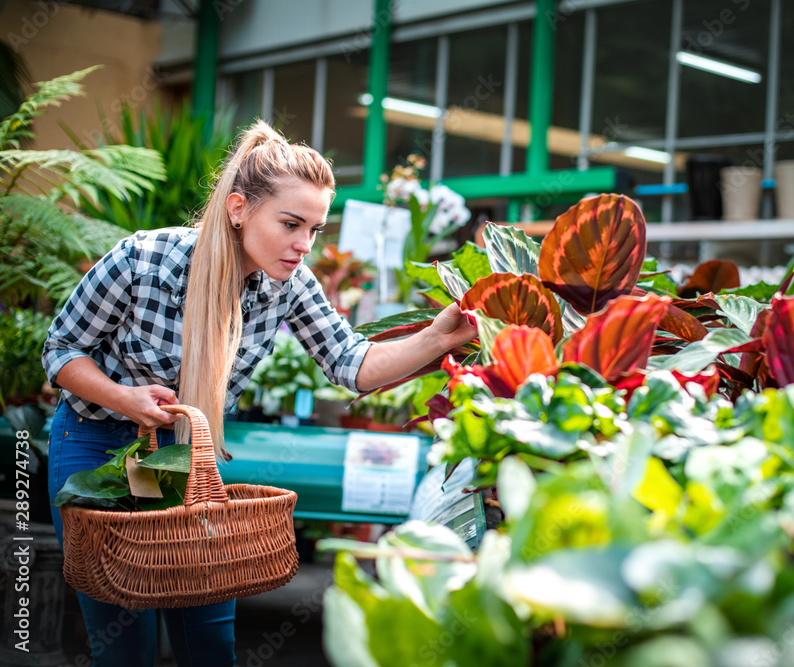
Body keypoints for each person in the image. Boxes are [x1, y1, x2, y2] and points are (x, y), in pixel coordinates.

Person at [42, 120, 477, 667]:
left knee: (207, 632)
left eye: (315, 229)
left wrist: (438, 336)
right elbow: (60, 350)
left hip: (184, 454)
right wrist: (122, 398)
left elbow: (352, 363)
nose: (304, 245)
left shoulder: (289, 285)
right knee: (123, 638)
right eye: (292, 223)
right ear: (239, 208)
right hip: (97, 441)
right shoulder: (143, 260)